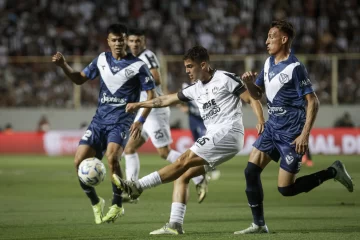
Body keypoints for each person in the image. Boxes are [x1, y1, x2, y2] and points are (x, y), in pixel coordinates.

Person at [113, 46, 266, 235]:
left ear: (203, 65)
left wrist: (260, 119)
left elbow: (252, 99)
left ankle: (137, 186)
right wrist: (139, 104)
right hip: (218, 136)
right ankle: (175, 225)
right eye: (186, 67)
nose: (187, 71)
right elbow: (164, 100)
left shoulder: (225, 78)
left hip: (228, 131)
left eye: (190, 66)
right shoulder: (195, 89)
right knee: (183, 174)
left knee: (183, 160)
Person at [235, 20, 354, 234]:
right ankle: (259, 224)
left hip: (292, 132)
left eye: (271, 36)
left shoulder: (295, 67)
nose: (266, 41)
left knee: (286, 189)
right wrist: (250, 83)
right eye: (267, 36)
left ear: (284, 39)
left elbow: (313, 101)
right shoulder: (268, 63)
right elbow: (257, 95)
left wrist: (304, 135)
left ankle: (332, 171)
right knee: (250, 171)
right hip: (272, 127)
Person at [52, 23, 156, 224]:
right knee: (77, 162)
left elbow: (152, 95)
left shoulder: (138, 66)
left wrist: (141, 120)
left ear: (125, 41)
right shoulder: (101, 59)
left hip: (121, 122)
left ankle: (117, 205)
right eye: (114, 40)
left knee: (112, 158)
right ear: (108, 42)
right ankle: (96, 202)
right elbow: (79, 79)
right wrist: (63, 65)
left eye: (121, 40)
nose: (118, 43)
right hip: (99, 121)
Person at [124, 29, 207, 203]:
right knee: (129, 148)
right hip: (145, 109)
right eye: (131, 41)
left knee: (164, 152)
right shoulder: (131, 58)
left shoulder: (147, 56)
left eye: (138, 41)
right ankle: (131, 189)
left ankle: (198, 174)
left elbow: (156, 79)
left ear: (143, 41)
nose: (134, 44)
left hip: (154, 112)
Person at [178, 82, 221, 181]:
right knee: (197, 144)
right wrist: (183, 107)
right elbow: (180, 98)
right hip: (192, 120)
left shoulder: (206, 86)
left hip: (203, 121)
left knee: (204, 145)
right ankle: (203, 168)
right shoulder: (186, 86)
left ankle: (211, 167)